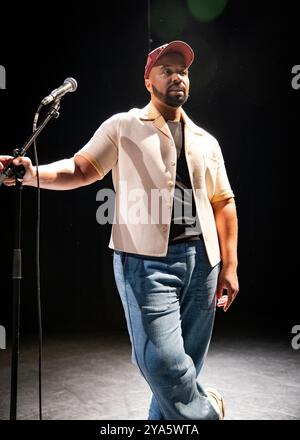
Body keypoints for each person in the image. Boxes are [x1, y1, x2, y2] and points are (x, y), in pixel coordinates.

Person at [0, 40, 239, 420]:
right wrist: (32, 175)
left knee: (183, 371)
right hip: (146, 266)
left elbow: (224, 202)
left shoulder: (206, 141)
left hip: (204, 264)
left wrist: (229, 266)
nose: (178, 76)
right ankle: (210, 411)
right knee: (163, 365)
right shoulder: (124, 126)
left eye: (184, 71)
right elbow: (80, 170)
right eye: (167, 70)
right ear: (149, 80)